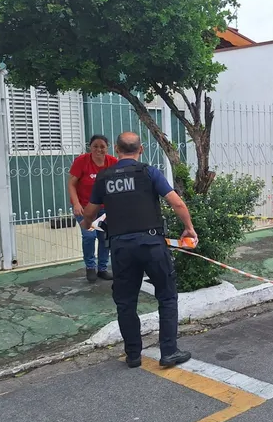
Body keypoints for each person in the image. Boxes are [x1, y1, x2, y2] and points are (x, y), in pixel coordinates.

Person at [80, 132, 197, 369]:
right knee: (166, 296)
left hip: (122, 248)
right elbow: (177, 202)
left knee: (125, 302)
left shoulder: (104, 177)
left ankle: (133, 355)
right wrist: (189, 228)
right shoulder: (149, 172)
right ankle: (169, 351)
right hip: (152, 244)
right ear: (140, 150)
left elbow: (89, 212)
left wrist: (86, 223)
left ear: (116, 149)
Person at [68, 134, 118, 282]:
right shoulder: (82, 161)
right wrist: (76, 204)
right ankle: (90, 267)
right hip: (85, 208)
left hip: (105, 209)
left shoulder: (113, 162)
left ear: (107, 148)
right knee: (89, 236)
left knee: (104, 237)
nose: (99, 149)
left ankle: (102, 269)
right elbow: (71, 184)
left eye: (102, 146)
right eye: (95, 146)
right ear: (90, 147)